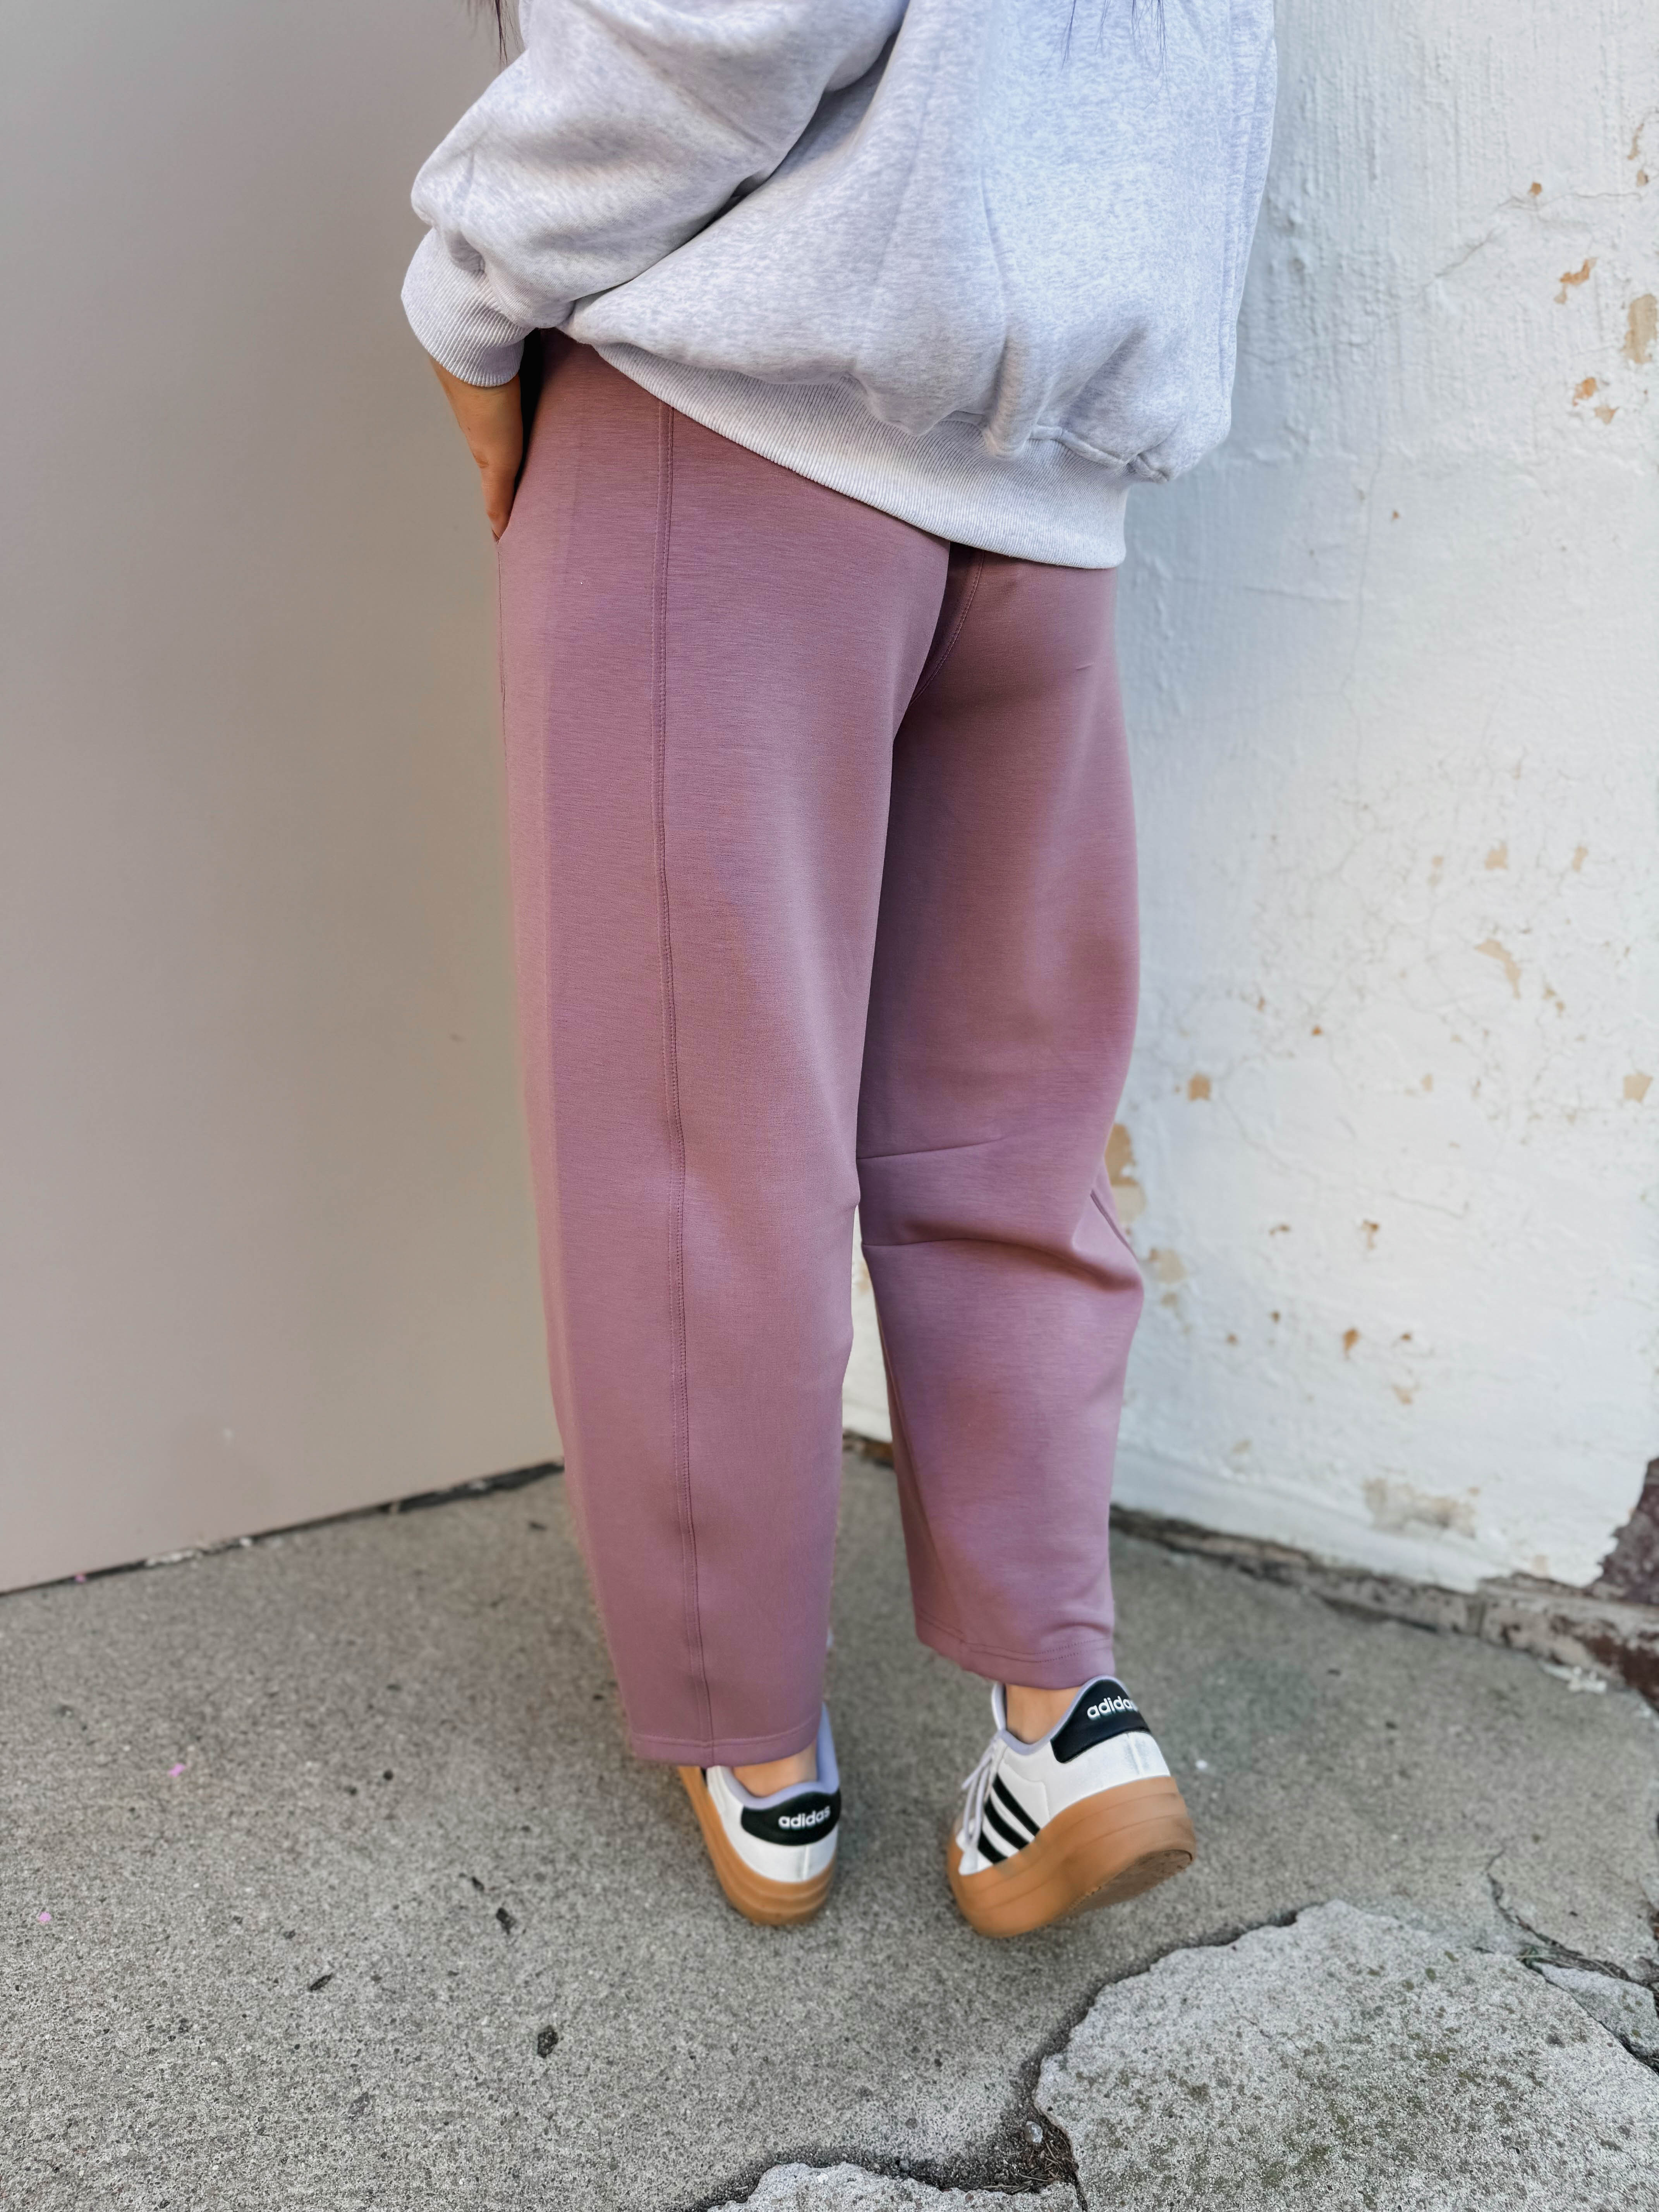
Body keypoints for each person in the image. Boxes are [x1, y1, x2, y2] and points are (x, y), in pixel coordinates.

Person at [404, 0, 1275, 1936]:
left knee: (693, 1143)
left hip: (739, 424)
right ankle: (1064, 1714)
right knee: (1007, 1137)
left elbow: (722, 20)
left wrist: (474, 288)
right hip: (1043, 488)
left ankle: (760, 1744)